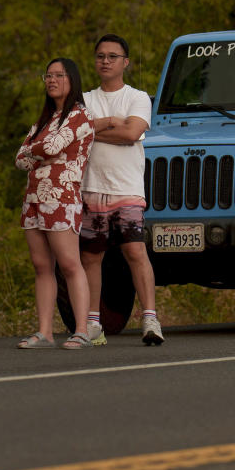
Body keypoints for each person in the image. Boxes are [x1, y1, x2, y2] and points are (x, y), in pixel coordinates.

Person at [79, 34, 164, 346]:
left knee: (134, 250)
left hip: (126, 188)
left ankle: (151, 319)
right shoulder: (84, 98)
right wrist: (110, 124)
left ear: (125, 62)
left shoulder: (137, 97)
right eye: (100, 56)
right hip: (91, 189)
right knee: (91, 256)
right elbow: (77, 131)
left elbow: (131, 133)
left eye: (112, 56)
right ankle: (92, 324)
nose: (105, 61)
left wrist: (96, 129)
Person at [15, 58, 96, 350]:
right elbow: (20, 159)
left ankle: (82, 331)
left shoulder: (79, 115)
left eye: (58, 75)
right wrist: (37, 151)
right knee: (41, 265)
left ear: (72, 79)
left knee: (69, 263)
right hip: (34, 197)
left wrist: (35, 150)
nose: (51, 80)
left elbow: (46, 148)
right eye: (48, 75)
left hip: (62, 197)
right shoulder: (45, 119)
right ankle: (45, 332)